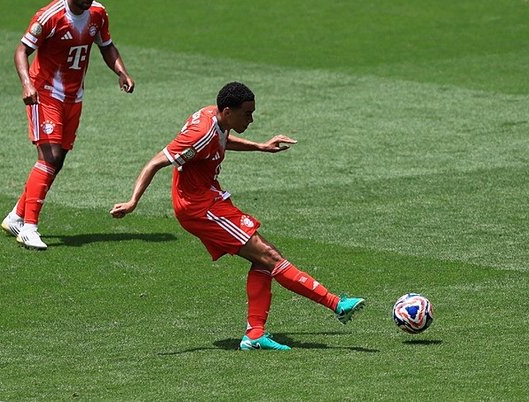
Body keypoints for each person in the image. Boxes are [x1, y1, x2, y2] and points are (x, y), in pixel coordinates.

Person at [109, 82, 365, 351]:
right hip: (199, 208)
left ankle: (255, 335)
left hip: (210, 199)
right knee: (270, 256)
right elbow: (156, 162)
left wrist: (260, 147)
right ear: (228, 112)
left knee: (263, 260)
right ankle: (337, 304)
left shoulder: (216, 118)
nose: (251, 120)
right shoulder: (200, 133)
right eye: (247, 114)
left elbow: (221, 141)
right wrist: (133, 201)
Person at [1, 0, 135, 250]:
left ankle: (16, 216)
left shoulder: (98, 13)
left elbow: (107, 46)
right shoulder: (50, 16)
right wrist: (27, 84)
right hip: (44, 93)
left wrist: (121, 72)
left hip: (74, 97)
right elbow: (21, 51)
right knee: (49, 157)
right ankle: (29, 228)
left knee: (57, 161)